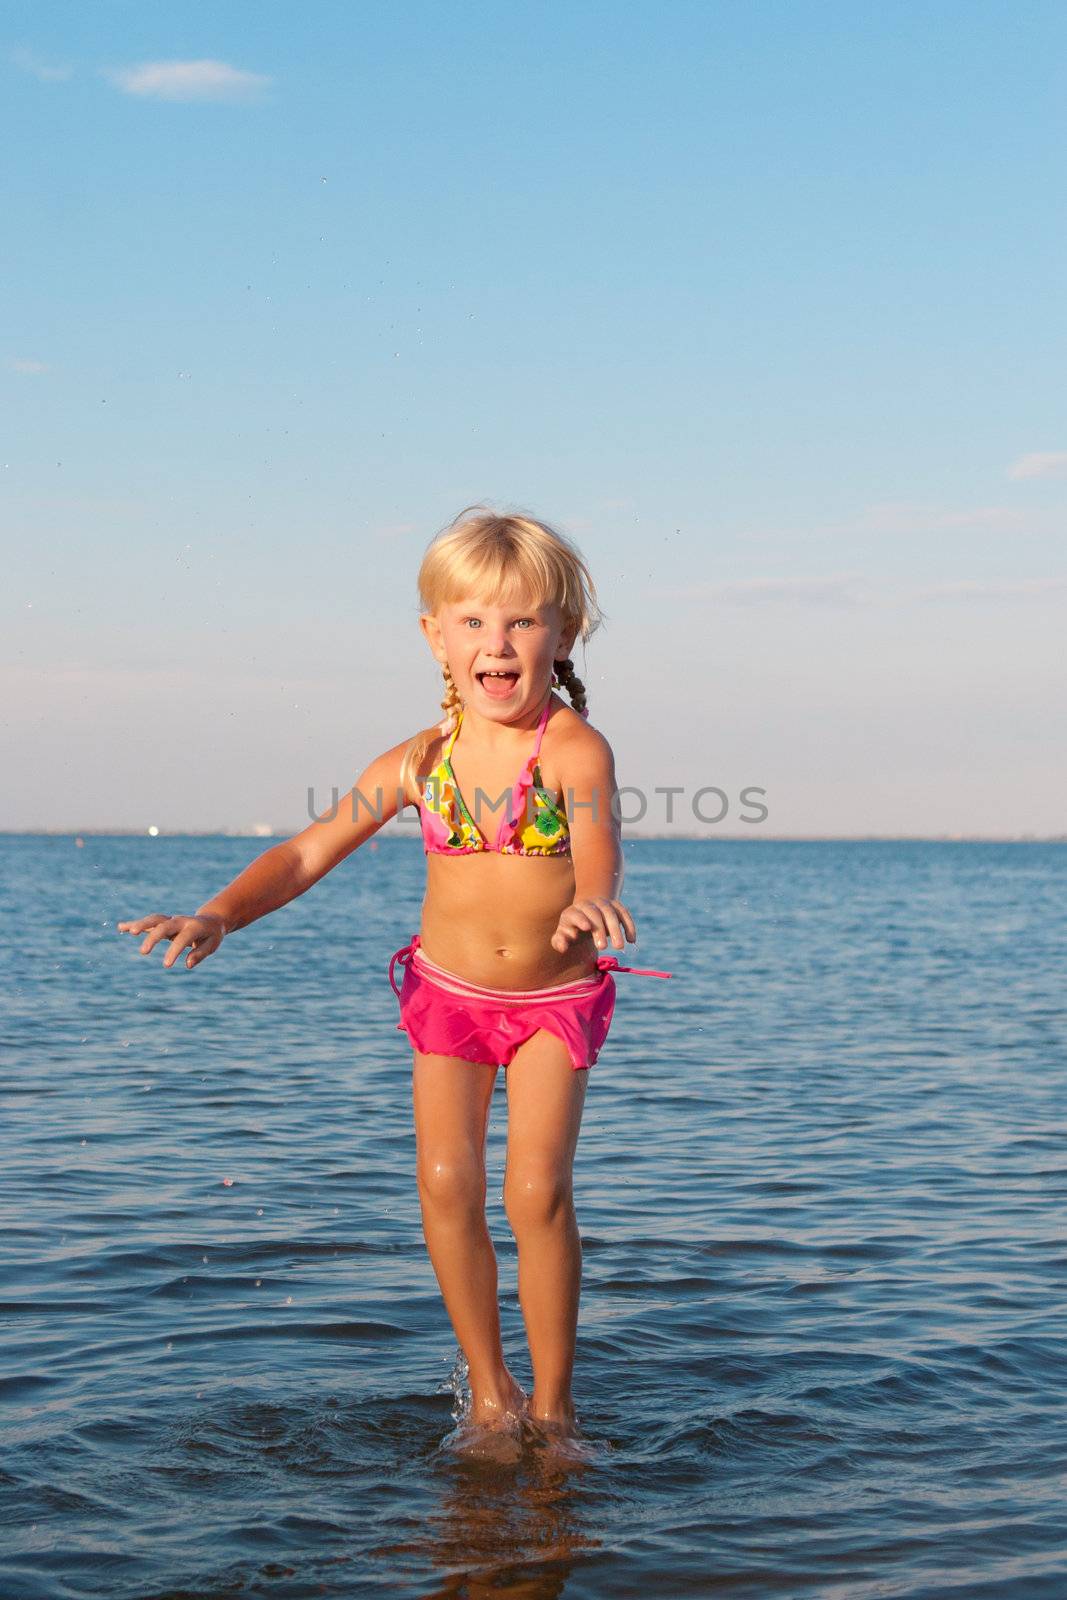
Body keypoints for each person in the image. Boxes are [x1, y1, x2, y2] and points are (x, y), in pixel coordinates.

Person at [118, 505, 671, 1458]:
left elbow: (598, 845)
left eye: (521, 622)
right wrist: (217, 913)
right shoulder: (420, 761)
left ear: (563, 634)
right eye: (471, 623)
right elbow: (306, 852)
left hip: (549, 1003)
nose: (495, 644)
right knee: (446, 1182)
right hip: (450, 994)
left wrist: (592, 903)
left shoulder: (572, 748)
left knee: (534, 1191)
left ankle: (553, 1404)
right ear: (434, 636)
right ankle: (491, 1398)